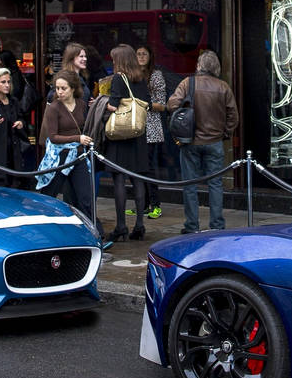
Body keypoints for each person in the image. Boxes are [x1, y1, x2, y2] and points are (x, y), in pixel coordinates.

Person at [173, 49, 239, 233]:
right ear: (216, 66)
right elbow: (233, 117)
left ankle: (191, 226)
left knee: (190, 185)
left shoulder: (188, 83)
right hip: (215, 141)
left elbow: (172, 104)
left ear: (199, 65)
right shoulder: (223, 87)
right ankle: (217, 225)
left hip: (190, 141)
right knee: (216, 184)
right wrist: (225, 133)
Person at [101, 44, 150, 241]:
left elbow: (113, 105)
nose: (112, 62)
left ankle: (121, 225)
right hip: (137, 135)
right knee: (138, 179)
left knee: (119, 179)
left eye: (114, 59)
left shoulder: (118, 78)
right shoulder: (140, 78)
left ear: (120, 61)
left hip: (120, 136)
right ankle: (139, 224)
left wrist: (101, 103)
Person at [41, 72, 97, 224]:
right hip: (59, 157)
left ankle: (96, 233)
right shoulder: (53, 108)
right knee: (48, 195)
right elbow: (53, 137)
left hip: (78, 156)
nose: (59, 92)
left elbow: (85, 126)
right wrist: (77, 139)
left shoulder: (81, 104)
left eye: (63, 88)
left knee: (85, 198)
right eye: (57, 88)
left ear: (72, 88)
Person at [135, 45, 168, 220]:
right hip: (135, 128)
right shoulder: (132, 75)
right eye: (138, 54)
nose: (140, 57)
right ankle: (143, 205)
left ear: (150, 57)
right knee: (138, 168)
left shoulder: (156, 76)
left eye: (144, 54)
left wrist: (142, 104)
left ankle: (156, 205)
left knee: (149, 168)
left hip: (151, 128)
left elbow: (162, 105)